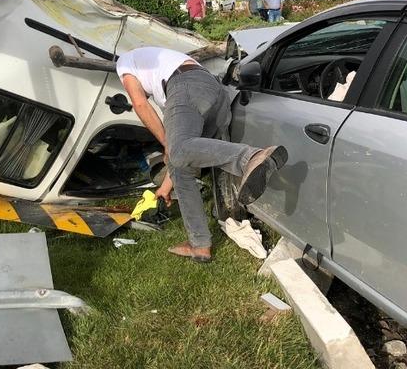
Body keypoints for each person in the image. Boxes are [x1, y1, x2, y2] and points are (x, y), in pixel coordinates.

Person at [116, 47, 288, 263]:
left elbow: (140, 104)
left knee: (177, 149)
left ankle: (250, 158)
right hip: (215, 92)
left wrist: (167, 143)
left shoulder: (124, 62)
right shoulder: (160, 65)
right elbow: (185, 153)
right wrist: (165, 187)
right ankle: (200, 245)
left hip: (185, 85)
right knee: (182, 165)